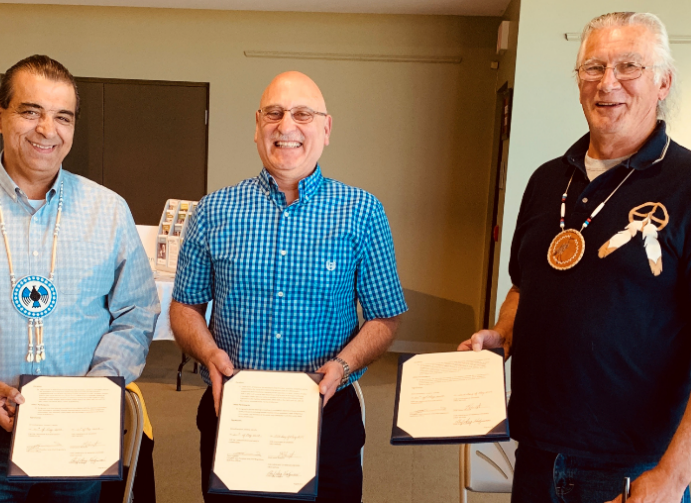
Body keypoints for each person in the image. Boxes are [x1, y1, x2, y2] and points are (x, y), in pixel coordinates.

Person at [459, 12, 691, 503]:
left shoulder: (687, 184)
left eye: (629, 66)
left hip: (635, 466)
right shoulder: (546, 180)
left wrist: (673, 476)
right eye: (592, 68)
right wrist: (502, 335)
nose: (608, 83)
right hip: (538, 451)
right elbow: (525, 286)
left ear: (663, 82)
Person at [0, 55, 159, 502]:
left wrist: (101, 385)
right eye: (30, 111)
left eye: (62, 117)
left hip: (80, 431)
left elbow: (136, 312)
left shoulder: (108, 211)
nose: (47, 130)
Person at [170, 71, 407, 502]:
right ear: (257, 125)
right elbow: (184, 307)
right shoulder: (212, 210)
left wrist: (345, 363)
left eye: (302, 114)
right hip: (234, 411)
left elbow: (385, 315)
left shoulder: (363, 211)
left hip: (326, 411)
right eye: (274, 114)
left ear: (326, 128)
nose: (286, 126)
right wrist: (208, 353)